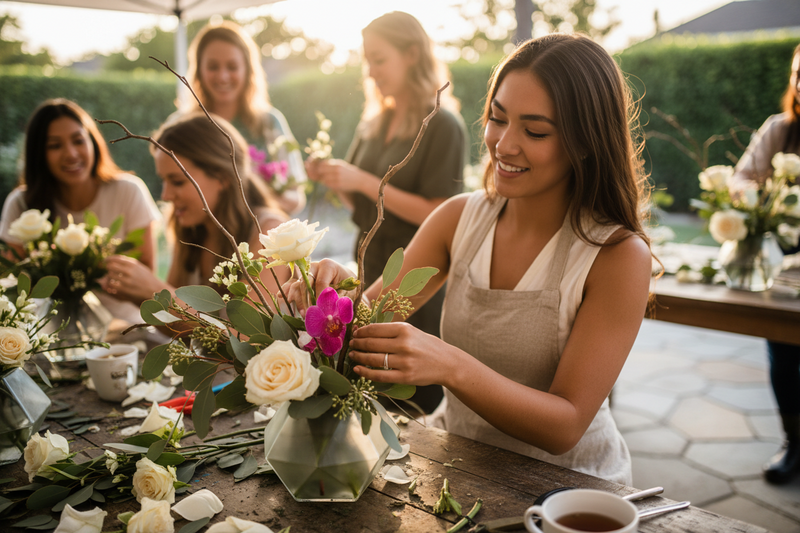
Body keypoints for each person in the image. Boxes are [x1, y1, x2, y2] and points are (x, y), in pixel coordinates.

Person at [287, 33, 653, 485]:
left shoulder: (617, 257)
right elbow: (363, 324)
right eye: (497, 119)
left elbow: (566, 425)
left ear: (586, 141)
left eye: (534, 131)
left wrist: (451, 365)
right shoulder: (458, 219)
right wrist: (334, 294)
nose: (504, 144)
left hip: (570, 490)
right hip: (457, 467)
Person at [305, 11, 467, 413]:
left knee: (413, 400)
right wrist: (336, 181)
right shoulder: (374, 123)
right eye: (367, 61)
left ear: (412, 54)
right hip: (369, 269)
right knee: (366, 388)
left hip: (416, 281)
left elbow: (438, 212)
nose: (371, 71)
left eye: (379, 59)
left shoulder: (442, 126)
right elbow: (363, 209)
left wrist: (360, 179)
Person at [100, 113, 290, 307]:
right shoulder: (191, 230)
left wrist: (155, 291)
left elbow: (243, 333)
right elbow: (180, 328)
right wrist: (137, 294)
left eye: (177, 182)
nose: (165, 195)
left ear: (221, 178)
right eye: (164, 181)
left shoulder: (271, 234)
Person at [0, 98, 160, 322]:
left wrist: (97, 269)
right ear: (39, 154)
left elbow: (146, 276)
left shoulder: (129, 190)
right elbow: (10, 280)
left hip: (125, 325)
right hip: (52, 331)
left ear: (93, 142)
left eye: (78, 140)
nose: (71, 154)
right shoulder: (20, 203)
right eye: (55, 145)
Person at [732, 43, 800, 485]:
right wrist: (760, 202)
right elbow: (742, 178)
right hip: (791, 269)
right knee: (782, 349)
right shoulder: (781, 130)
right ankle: (794, 441)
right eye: (799, 72)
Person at [180, 20, 306, 215]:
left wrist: (253, 200)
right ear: (198, 70)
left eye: (232, 66)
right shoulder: (184, 127)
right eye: (213, 66)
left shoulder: (269, 123)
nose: (222, 76)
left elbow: (296, 198)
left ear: (247, 70)